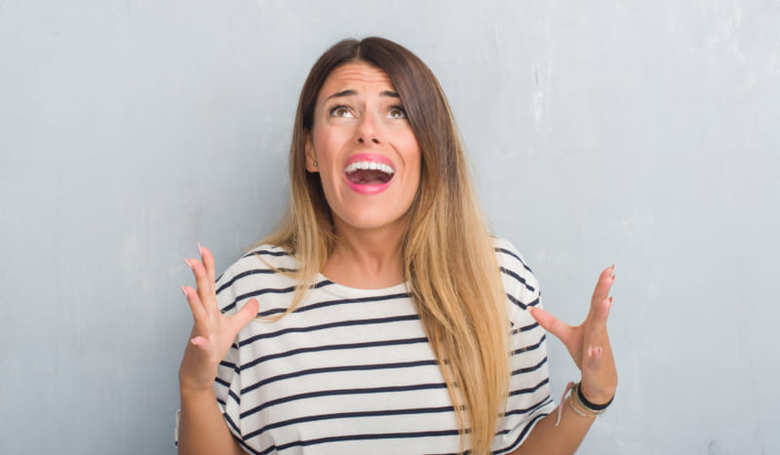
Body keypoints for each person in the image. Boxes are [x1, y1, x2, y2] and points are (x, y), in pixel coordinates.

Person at [175, 36, 617, 455]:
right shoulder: (249, 293)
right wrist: (195, 388)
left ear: (428, 147)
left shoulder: (497, 279)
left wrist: (589, 398)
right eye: (342, 111)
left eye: (398, 111)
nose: (368, 130)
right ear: (310, 152)